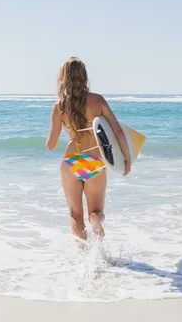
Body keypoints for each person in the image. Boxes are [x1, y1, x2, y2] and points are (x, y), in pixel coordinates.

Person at [46, 57, 131, 241]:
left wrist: (65, 127)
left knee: (75, 215)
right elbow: (117, 131)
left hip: (70, 162)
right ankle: (96, 220)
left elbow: (51, 145)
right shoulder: (97, 101)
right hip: (94, 161)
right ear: (84, 77)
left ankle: (84, 258)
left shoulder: (59, 106)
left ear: (63, 78)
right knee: (96, 210)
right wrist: (126, 160)